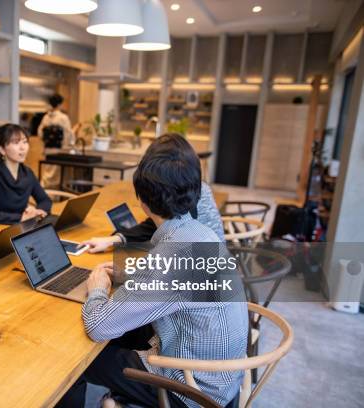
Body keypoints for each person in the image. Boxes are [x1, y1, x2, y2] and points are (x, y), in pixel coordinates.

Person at [57, 133, 248, 408]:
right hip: (225, 378)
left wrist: (97, 288)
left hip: (192, 391)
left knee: (75, 358)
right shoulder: (201, 233)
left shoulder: (173, 254)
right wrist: (139, 277)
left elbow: (99, 327)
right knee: (124, 333)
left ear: (143, 202)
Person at [80, 134, 224, 253]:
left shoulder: (175, 247)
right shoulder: (193, 189)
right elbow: (159, 224)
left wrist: (99, 285)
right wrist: (115, 239)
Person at [0, 124, 52, 229]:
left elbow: (45, 200)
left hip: (18, 228)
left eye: (25, 142)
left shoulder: (27, 173)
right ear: (2, 149)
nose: (22, 148)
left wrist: (37, 211)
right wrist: (21, 217)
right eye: (16, 143)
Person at [37, 93, 74, 188]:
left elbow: (40, 133)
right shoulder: (63, 118)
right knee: (57, 175)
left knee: (47, 172)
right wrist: (69, 144)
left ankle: (45, 192)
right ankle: (55, 196)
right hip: (59, 150)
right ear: (59, 104)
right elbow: (68, 134)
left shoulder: (46, 117)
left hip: (48, 149)